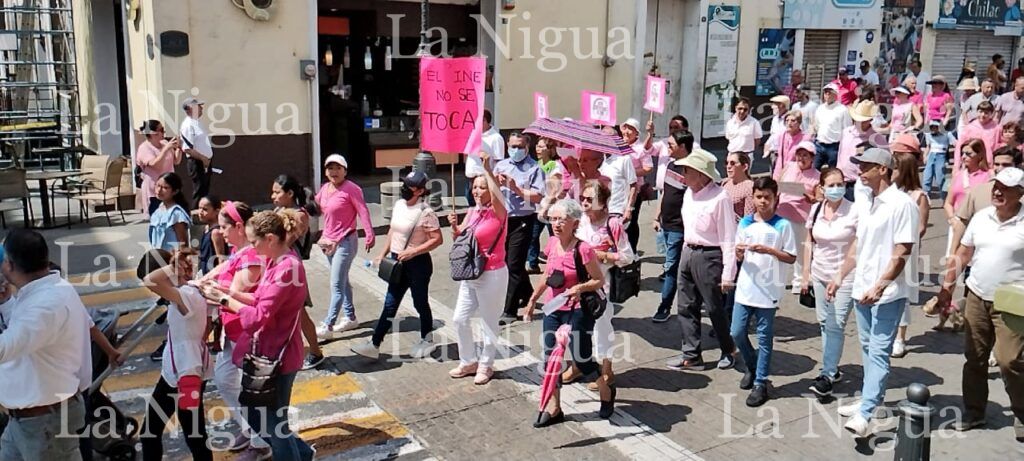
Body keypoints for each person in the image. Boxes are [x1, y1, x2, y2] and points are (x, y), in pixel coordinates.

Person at [201, 210, 314, 460]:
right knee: (261, 417)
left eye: (254, 242)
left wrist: (225, 299)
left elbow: (259, 315)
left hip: (279, 358)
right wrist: (225, 291)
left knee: (274, 424)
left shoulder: (287, 267)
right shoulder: (276, 261)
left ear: (271, 238)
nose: (251, 247)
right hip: (266, 352)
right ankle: (304, 454)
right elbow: (258, 298)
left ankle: (298, 456)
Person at [831, 148, 919, 438]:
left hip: (888, 293)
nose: (860, 170)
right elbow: (859, 243)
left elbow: (902, 249)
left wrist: (881, 285)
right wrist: (841, 275)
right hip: (861, 289)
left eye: (866, 166)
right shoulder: (866, 200)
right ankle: (872, 399)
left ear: (883, 169)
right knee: (868, 348)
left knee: (879, 351)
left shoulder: (902, 204)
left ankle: (866, 412)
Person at [937, 167, 1024, 440]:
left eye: (1006, 188)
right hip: (976, 295)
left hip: (1012, 303)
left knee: (1009, 360)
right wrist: (947, 288)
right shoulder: (982, 217)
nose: (998, 191)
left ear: (1020, 193)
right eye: (996, 186)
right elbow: (963, 252)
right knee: (974, 357)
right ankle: (974, 412)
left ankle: (1021, 412)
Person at [0, 230, 90, 460]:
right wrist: (6, 302)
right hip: (24, 421)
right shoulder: (43, 291)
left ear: (9, 264)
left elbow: (8, 345)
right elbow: (24, 332)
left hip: (44, 425)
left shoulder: (46, 304)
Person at [195, 200, 272, 458]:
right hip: (233, 331)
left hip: (247, 333)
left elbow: (239, 293)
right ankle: (250, 428)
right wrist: (202, 281)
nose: (221, 233)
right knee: (225, 378)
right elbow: (222, 268)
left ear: (239, 227)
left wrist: (209, 292)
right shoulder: (238, 253)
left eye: (224, 227)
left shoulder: (251, 257)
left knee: (248, 389)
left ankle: (260, 443)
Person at [523, 199, 607, 427]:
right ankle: (554, 407)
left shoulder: (584, 249)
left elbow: (599, 280)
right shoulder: (551, 243)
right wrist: (532, 301)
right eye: (553, 219)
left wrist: (579, 287)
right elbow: (547, 276)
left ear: (575, 223)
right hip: (553, 309)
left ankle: (606, 389)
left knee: (582, 359)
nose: (556, 224)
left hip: (578, 311)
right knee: (551, 359)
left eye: (562, 219)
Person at [351, 171, 442, 360]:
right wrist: (383, 254)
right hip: (397, 262)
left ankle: (427, 337)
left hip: (418, 264)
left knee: (420, 302)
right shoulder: (400, 205)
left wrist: (413, 252)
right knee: (390, 304)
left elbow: (437, 239)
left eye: (410, 186)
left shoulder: (426, 212)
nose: (405, 189)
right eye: (405, 184)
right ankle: (375, 343)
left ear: (420, 190)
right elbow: (393, 230)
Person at [666, 149, 738, 371]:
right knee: (686, 305)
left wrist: (728, 273)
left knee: (714, 307)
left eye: (687, 171)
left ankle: (729, 349)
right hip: (688, 251)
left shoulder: (720, 197)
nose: (683, 175)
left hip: (710, 256)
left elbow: (728, 237)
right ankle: (691, 354)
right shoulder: (689, 193)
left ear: (700, 174)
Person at [139, 249, 213, 461]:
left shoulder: (187, 296)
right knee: (193, 432)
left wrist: (173, 266)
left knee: (153, 432)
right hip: (186, 370)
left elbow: (150, 280)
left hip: (184, 375)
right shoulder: (193, 291)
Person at [731, 177, 798, 407]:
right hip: (746, 287)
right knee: (737, 332)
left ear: (775, 197)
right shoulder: (745, 223)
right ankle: (751, 365)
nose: (762, 202)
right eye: (758, 197)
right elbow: (738, 254)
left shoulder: (783, 225)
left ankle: (761, 382)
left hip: (769, 289)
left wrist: (770, 251)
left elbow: (791, 257)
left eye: (767, 197)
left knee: (764, 337)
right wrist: (739, 253)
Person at [565, 181, 635, 397]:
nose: (584, 203)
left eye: (590, 200)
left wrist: (602, 255)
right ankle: (578, 365)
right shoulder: (580, 221)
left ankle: (606, 370)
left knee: (601, 328)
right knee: (575, 326)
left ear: (603, 203)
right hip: (577, 284)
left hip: (601, 286)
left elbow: (627, 256)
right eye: (583, 199)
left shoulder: (612, 224)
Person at [448, 157, 508, 385]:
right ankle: (468, 361)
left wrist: (487, 170)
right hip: (470, 273)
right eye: (475, 187)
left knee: (488, 322)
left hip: (492, 273)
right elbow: (461, 237)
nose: (477, 191)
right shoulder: (473, 211)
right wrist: (455, 227)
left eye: (482, 187)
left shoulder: (500, 212)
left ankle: (486, 365)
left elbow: (497, 195)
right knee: (460, 319)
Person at [802, 168, 858, 398]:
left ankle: (827, 373)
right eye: (831, 185)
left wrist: (841, 275)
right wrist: (805, 272)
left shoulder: (854, 211)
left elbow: (857, 246)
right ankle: (831, 369)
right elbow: (809, 241)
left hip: (845, 277)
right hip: (820, 274)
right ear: (822, 188)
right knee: (824, 322)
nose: (837, 188)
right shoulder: (816, 209)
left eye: (840, 183)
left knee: (835, 324)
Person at [316, 154, 375, 337]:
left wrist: (369, 233)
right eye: (330, 168)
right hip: (328, 242)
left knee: (336, 285)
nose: (334, 172)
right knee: (342, 281)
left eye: (338, 168)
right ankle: (350, 317)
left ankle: (328, 325)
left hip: (345, 241)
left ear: (345, 171)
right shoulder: (325, 189)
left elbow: (362, 210)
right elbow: (314, 207)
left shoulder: (352, 189)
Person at [271, 175, 326, 370]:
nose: (273, 196)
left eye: (277, 192)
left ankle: (316, 352)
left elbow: (285, 242)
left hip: (290, 268)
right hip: (276, 265)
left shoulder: (299, 215)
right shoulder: (280, 210)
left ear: (290, 193)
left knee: (299, 312)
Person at [494, 133, 546, 325]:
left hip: (523, 220)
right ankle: (527, 292)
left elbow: (538, 196)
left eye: (520, 146)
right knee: (508, 260)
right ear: (508, 145)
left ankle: (509, 310)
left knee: (514, 265)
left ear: (527, 147)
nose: (516, 150)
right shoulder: (502, 165)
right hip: (503, 219)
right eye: (513, 146)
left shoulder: (534, 169)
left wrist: (515, 188)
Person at [890, 152, 930, 359]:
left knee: (902, 293)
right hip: (886, 247)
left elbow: (921, 227)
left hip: (906, 250)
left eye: (895, 168)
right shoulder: (887, 193)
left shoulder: (918, 196)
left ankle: (900, 338)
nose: (891, 172)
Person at [652, 131, 692, 323]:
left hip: (679, 227)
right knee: (673, 266)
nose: (668, 148)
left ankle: (665, 306)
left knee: (670, 268)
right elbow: (665, 194)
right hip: (665, 224)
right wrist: (656, 216)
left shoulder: (690, 170)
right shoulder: (670, 164)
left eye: (671, 144)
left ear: (683, 147)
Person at [776, 141, 821, 293]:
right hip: (781, 213)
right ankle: (777, 282)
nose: (801, 158)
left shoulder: (817, 176)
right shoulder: (789, 166)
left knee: (800, 252)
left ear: (812, 158)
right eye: (799, 154)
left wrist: (809, 197)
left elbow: (819, 199)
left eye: (805, 155)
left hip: (801, 217)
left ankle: (800, 281)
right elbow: (778, 185)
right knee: (778, 249)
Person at [946, 139, 993, 256]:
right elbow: (948, 203)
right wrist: (952, 220)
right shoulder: (958, 175)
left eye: (968, 154)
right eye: (962, 153)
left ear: (980, 155)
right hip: (958, 224)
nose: (963, 157)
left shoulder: (989, 176)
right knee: (954, 262)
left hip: (980, 225)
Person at [527, 137, 561, 274]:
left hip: (551, 209)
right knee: (533, 236)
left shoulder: (556, 166)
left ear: (551, 150)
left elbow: (554, 190)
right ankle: (533, 263)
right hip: (537, 207)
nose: (538, 149)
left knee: (556, 237)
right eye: (537, 146)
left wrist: (546, 207)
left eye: (542, 147)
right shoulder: (537, 164)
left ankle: (558, 263)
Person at [135, 120, 182, 217]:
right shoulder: (144, 148)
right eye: (161, 129)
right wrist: (165, 149)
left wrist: (179, 148)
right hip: (155, 192)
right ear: (153, 134)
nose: (164, 132)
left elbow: (176, 161)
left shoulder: (165, 143)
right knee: (157, 221)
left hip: (169, 190)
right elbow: (155, 165)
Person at [836, 101, 881, 203]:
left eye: (863, 120)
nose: (859, 122)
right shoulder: (846, 132)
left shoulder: (877, 138)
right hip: (841, 182)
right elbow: (840, 155)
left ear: (870, 120)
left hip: (861, 184)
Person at [622, 118, 655, 251]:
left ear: (636, 133)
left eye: (630, 129)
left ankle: (632, 250)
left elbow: (648, 168)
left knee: (631, 221)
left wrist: (631, 173)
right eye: (625, 128)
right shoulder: (620, 145)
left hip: (635, 191)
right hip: (620, 190)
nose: (626, 131)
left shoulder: (641, 149)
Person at [179, 98, 213, 208]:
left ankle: (203, 216)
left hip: (204, 162)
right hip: (197, 162)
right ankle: (196, 217)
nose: (201, 108)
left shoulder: (197, 123)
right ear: (190, 109)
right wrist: (203, 159)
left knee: (204, 190)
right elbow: (187, 148)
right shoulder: (188, 125)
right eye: (198, 106)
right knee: (199, 191)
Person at [468, 109, 506, 207]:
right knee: (472, 207)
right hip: (471, 177)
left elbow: (499, 162)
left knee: (483, 207)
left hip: (484, 179)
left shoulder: (496, 138)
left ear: (484, 120)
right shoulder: (473, 135)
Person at [148, 172, 192, 252]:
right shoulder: (157, 210)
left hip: (171, 259)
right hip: (157, 257)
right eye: (158, 186)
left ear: (175, 191)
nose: (159, 190)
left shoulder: (176, 214)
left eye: (165, 187)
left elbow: (183, 244)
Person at [812, 84, 851, 170]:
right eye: (825, 92)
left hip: (834, 146)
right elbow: (817, 125)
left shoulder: (842, 109)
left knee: (832, 171)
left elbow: (847, 129)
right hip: (820, 144)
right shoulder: (820, 108)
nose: (827, 94)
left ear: (836, 94)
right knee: (814, 169)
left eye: (830, 92)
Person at [956, 101, 1001, 171]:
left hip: (989, 165)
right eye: (980, 112)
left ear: (991, 114)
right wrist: (957, 165)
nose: (983, 115)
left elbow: (998, 147)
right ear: (977, 112)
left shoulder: (996, 128)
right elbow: (959, 146)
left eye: (986, 113)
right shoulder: (969, 128)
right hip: (972, 164)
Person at [923, 120, 957, 198]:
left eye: (935, 127)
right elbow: (928, 146)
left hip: (941, 155)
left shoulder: (947, 134)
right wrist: (925, 156)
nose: (933, 129)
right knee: (926, 178)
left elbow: (955, 143)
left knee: (940, 179)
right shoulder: (928, 134)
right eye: (931, 127)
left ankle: (945, 198)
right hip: (931, 155)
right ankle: (925, 198)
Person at [196, 196, 228, 275]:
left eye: (205, 209)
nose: (200, 212)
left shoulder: (215, 232)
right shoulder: (206, 229)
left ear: (216, 211)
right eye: (199, 208)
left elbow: (221, 258)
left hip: (213, 274)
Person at [771, 110, 806, 177]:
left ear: (799, 123)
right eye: (787, 120)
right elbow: (780, 157)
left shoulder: (805, 138)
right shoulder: (782, 135)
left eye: (793, 121)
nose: (789, 123)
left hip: (796, 174)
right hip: (780, 172)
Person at [722, 153, 755, 222]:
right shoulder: (725, 183)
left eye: (732, 163)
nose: (728, 166)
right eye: (726, 163)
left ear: (744, 167)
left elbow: (748, 219)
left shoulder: (750, 187)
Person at [764, 95, 791, 174]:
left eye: (774, 104)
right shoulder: (775, 119)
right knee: (773, 176)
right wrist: (767, 145)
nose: (772, 107)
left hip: (785, 154)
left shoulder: (790, 119)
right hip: (773, 153)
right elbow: (773, 134)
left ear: (781, 105)